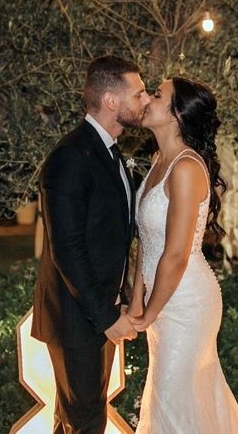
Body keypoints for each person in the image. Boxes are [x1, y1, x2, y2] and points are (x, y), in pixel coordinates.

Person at [31, 55, 151, 433]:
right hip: (75, 320)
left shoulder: (110, 153)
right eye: (139, 93)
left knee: (76, 420)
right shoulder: (71, 156)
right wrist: (107, 317)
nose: (145, 100)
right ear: (112, 101)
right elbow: (68, 249)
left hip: (95, 316)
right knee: (85, 423)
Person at [128, 77, 238, 433]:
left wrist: (149, 312)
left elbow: (176, 254)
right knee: (174, 399)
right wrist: (137, 298)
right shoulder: (157, 160)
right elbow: (147, 241)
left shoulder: (185, 168)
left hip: (185, 302)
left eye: (157, 95)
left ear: (177, 114)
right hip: (161, 297)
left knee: (173, 400)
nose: (148, 99)